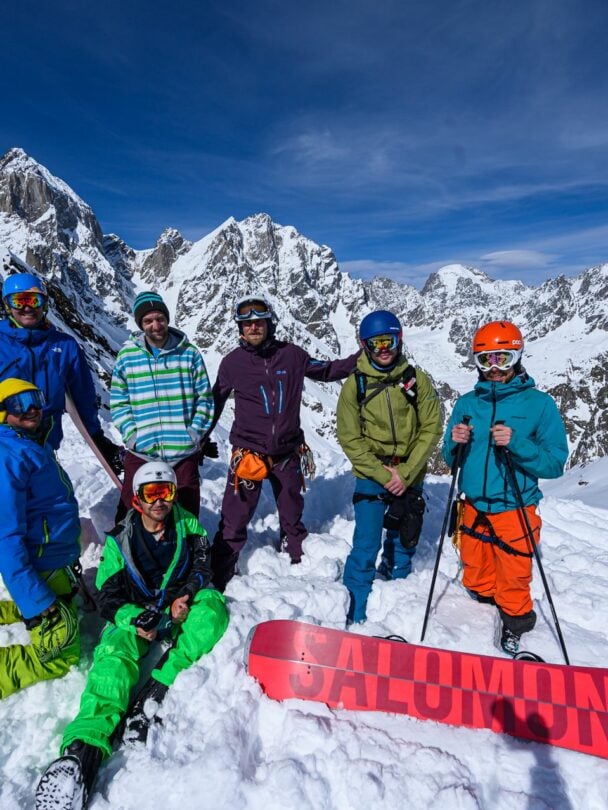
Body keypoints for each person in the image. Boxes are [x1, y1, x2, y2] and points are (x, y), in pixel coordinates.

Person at [36, 460, 229, 807]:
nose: (159, 501)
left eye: (165, 492)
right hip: (135, 617)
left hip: (174, 610)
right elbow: (108, 595)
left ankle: (160, 680)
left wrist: (183, 597)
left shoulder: (189, 527)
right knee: (114, 657)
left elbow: (203, 567)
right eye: (151, 493)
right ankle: (82, 751)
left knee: (213, 610)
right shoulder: (119, 542)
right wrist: (137, 618)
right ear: (137, 499)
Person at [209, 295, 360, 591]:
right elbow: (215, 402)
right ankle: (222, 567)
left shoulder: (292, 355)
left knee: (291, 510)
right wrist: (200, 439)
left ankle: (296, 559)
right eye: (247, 323)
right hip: (249, 452)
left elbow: (327, 370)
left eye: (259, 322)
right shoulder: (232, 364)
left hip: (287, 451)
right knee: (235, 515)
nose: (253, 327)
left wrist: (360, 359)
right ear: (240, 328)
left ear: (269, 323)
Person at [443, 321, 568, 654]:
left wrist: (517, 445)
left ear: (517, 357)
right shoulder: (467, 404)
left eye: (503, 358)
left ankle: (516, 623)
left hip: (514, 505)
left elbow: (555, 463)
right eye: (486, 361)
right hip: (473, 504)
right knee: (475, 573)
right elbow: (448, 457)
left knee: (514, 577)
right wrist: (454, 443)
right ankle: (485, 604)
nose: (494, 369)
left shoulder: (539, 405)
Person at [336, 311, 442, 624]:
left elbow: (431, 426)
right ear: (364, 344)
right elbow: (350, 438)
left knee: (403, 539)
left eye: (389, 341)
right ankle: (354, 609)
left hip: (409, 472)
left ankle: (398, 604)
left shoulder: (414, 379)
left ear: (400, 339)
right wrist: (385, 475)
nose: (383, 349)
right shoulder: (354, 385)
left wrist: (406, 473)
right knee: (366, 542)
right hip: (372, 474)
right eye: (376, 343)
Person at [0, 378, 81, 699]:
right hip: (41, 565)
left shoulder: (28, 444)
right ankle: (29, 605)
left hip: (53, 561)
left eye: (35, 399)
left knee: (64, 615)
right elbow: (5, 537)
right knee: (61, 656)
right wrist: (34, 596)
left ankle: (21, 607)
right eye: (19, 403)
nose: (32, 408)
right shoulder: (8, 456)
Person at [0, 271, 122, 472]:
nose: (28, 307)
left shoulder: (64, 346)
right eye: (19, 302)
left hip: (44, 445)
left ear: (45, 304)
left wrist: (97, 438)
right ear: (8, 305)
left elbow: (82, 397)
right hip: (4, 446)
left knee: (51, 501)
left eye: (34, 300)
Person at [110, 291, 215, 520]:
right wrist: (132, 436)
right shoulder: (127, 356)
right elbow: (118, 402)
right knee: (131, 509)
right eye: (148, 321)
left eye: (160, 319)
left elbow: (205, 399)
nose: (155, 325)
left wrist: (193, 434)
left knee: (186, 511)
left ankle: (189, 551)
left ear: (167, 319)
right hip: (143, 451)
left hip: (183, 451)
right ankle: (125, 553)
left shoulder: (189, 354)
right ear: (140, 324)